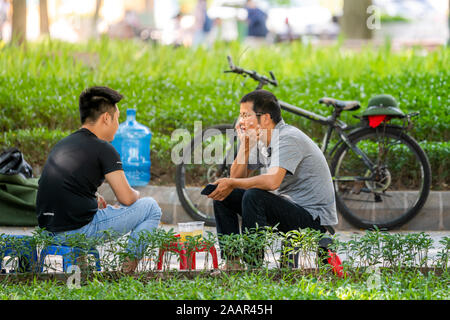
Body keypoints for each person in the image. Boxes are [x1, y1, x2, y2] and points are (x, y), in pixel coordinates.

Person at [36, 86, 162, 273]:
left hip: (48, 230)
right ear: (106, 118)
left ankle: (81, 272)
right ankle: (126, 273)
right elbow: (126, 198)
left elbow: (64, 185)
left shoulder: (63, 145)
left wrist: (91, 197)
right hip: (77, 231)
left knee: (88, 212)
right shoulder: (104, 149)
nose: (118, 125)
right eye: (117, 119)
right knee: (151, 208)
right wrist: (137, 194)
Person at [208, 90, 338, 269]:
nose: (241, 122)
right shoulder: (262, 139)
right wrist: (245, 145)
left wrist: (232, 182)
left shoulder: (287, 138)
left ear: (266, 118)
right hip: (288, 207)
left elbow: (272, 182)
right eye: (240, 116)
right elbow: (236, 178)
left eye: (246, 115)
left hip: (313, 218)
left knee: (254, 195)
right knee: (223, 194)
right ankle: (232, 262)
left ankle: (253, 265)